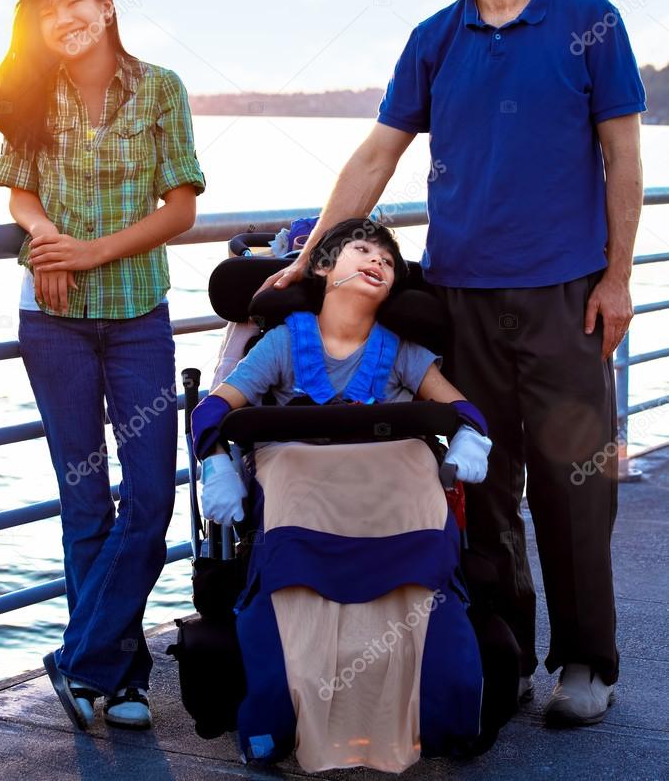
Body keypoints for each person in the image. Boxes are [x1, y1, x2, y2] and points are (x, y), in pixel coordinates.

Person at [268, 0, 646, 727]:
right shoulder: (434, 38)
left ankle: (587, 659)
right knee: (480, 483)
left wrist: (619, 277)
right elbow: (376, 154)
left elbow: (623, 155)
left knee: (575, 484)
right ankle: (504, 650)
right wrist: (315, 256)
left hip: (566, 295)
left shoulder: (590, 20)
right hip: (462, 298)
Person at [191, 219, 506, 772]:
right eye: (362, 250)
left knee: (415, 465)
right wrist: (216, 460)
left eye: (387, 260)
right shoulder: (284, 342)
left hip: (391, 487)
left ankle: (439, 703)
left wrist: (470, 438)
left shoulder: (403, 352)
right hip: (300, 479)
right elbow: (216, 407)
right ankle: (282, 705)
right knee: (286, 473)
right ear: (321, 267)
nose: (377, 261)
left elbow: (464, 410)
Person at [0, 0, 205, 731]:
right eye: (48, 12)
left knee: (149, 496)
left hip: (137, 312)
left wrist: (91, 251)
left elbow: (180, 208)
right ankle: (115, 681)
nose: (64, 21)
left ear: (107, 6)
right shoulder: (31, 94)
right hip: (53, 323)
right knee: (84, 501)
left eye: (75, 4)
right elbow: (18, 189)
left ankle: (77, 658)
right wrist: (47, 235)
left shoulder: (160, 89)